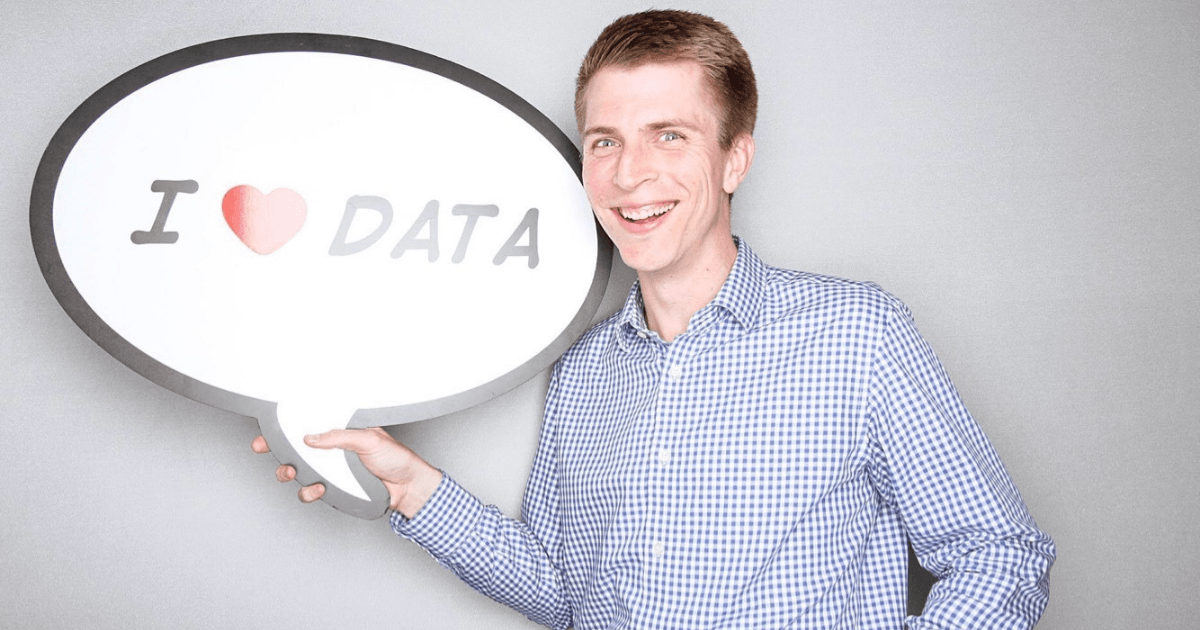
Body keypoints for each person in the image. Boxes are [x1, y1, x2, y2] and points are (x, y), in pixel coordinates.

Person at [253, 9, 1055, 629]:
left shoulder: (857, 335)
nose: (630, 175)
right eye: (605, 142)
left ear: (734, 157)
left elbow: (1000, 553)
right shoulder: (583, 371)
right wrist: (411, 488)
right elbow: (566, 594)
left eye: (668, 136)